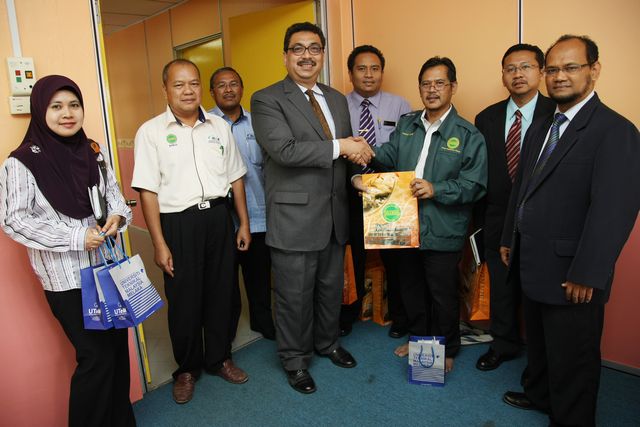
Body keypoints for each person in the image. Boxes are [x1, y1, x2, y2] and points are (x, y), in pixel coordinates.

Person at [500, 35, 640, 426]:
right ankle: (540, 395)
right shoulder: (542, 126)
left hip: (573, 271)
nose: (560, 76)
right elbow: (522, 189)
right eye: (553, 69)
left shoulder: (615, 130)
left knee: (574, 355)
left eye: (571, 67)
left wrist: (588, 272)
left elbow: (614, 210)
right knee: (541, 344)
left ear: (594, 70)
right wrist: (510, 237)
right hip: (532, 259)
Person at [0, 75, 135, 426]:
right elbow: (14, 220)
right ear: (40, 111)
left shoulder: (93, 152)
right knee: (96, 358)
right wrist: (77, 237)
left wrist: (118, 217)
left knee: (117, 351)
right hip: (67, 281)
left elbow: (115, 197)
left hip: (107, 270)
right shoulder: (20, 163)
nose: (67, 113)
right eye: (56, 106)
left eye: (74, 105)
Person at [250, 21, 373, 394]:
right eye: (298, 48)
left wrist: (356, 177)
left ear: (322, 54)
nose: (307, 55)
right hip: (294, 218)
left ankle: (327, 342)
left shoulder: (335, 98)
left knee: (329, 289)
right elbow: (285, 151)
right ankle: (294, 360)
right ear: (285, 55)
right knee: (294, 296)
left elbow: (342, 156)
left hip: (334, 216)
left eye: (314, 48)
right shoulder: (267, 99)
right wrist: (343, 146)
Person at [354, 57, 487, 373]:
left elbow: (475, 185)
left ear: (453, 87)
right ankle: (419, 342)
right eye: (426, 84)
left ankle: (447, 349)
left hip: (443, 228)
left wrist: (435, 188)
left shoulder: (469, 135)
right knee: (412, 290)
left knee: (442, 294)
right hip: (403, 225)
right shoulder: (407, 125)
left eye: (440, 83)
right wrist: (362, 158)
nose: (432, 89)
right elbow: (386, 157)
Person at [132, 59, 251, 404]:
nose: (188, 91)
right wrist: (159, 243)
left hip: (218, 218)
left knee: (222, 293)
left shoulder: (219, 126)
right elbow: (148, 192)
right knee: (184, 299)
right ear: (165, 89)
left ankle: (220, 358)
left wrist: (243, 223)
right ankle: (186, 369)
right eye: (179, 84)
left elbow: (236, 178)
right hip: (178, 223)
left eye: (194, 83)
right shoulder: (151, 132)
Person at [473, 44, 555, 372]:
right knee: (502, 287)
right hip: (496, 216)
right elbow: (480, 170)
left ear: (541, 72)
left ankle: (541, 356)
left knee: (540, 288)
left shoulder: (557, 111)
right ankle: (503, 344)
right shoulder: (486, 117)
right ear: (503, 75)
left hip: (542, 217)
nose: (518, 74)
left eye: (526, 67)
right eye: (510, 68)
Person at [342, 45, 412, 338]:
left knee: (396, 261)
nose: (368, 75)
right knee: (352, 257)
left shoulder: (401, 105)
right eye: (361, 68)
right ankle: (348, 315)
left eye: (375, 68)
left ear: (382, 72)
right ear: (351, 73)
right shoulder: (338, 105)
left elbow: (406, 148)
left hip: (389, 193)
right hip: (350, 192)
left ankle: (401, 317)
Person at [208, 66, 276, 340]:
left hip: (257, 214)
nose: (228, 89)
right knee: (224, 280)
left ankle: (262, 321)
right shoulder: (205, 125)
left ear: (242, 88)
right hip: (221, 219)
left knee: (259, 274)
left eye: (233, 83)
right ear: (212, 92)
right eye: (221, 85)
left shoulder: (258, 123)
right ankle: (226, 331)